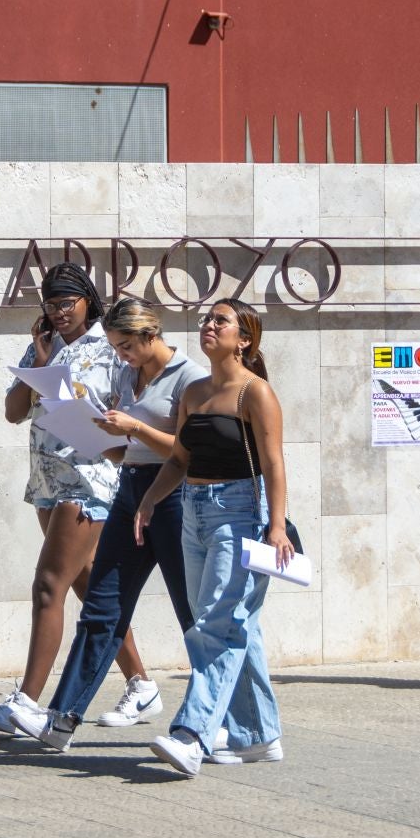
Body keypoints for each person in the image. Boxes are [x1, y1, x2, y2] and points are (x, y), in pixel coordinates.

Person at [4, 297, 205, 749]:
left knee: (192, 614)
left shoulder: (189, 378)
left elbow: (188, 452)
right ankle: (61, 719)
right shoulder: (127, 376)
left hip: (172, 498)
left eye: (126, 346)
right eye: (115, 346)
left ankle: (209, 720)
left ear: (150, 336)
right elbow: (122, 452)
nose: (120, 355)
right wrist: (89, 430)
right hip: (130, 492)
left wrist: (132, 428)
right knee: (100, 607)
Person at [0, 263, 139, 736]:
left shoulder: (111, 346)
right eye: (51, 303)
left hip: (90, 478)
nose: (59, 311)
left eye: (67, 302)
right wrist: (40, 364)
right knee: (88, 587)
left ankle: (26, 702)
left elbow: (129, 403)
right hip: (46, 478)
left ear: (88, 300)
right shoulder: (45, 346)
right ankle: (140, 683)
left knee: (48, 586)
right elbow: (13, 412)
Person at [140, 298, 292, 777]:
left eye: (220, 321)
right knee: (234, 625)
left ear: (243, 339)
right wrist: (149, 500)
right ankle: (257, 736)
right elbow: (180, 459)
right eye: (207, 319)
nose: (208, 325)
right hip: (193, 512)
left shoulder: (256, 393)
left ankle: (193, 734)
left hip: (241, 513)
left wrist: (277, 525)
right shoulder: (196, 391)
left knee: (214, 624)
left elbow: (273, 464)